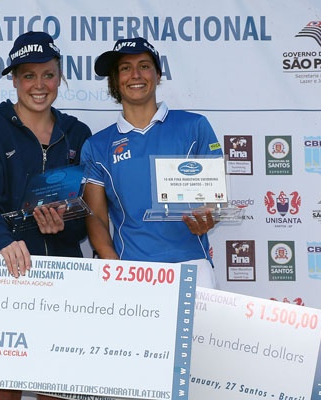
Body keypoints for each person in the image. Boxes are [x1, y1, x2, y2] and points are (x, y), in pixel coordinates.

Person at [0, 31, 91, 400]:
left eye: (48, 74)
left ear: (61, 76)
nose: (39, 85)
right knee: (5, 385)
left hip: (64, 274)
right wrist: (3, 243)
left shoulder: (78, 133)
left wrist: (64, 227)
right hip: (8, 270)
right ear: (13, 79)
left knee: (54, 385)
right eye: (28, 76)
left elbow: (88, 216)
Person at [81, 37, 221, 288]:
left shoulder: (194, 126)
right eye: (125, 68)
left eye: (144, 66)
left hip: (192, 266)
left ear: (157, 74)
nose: (135, 75)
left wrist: (211, 213)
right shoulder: (97, 145)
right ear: (115, 80)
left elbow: (215, 198)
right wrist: (114, 265)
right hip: (132, 271)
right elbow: (96, 216)